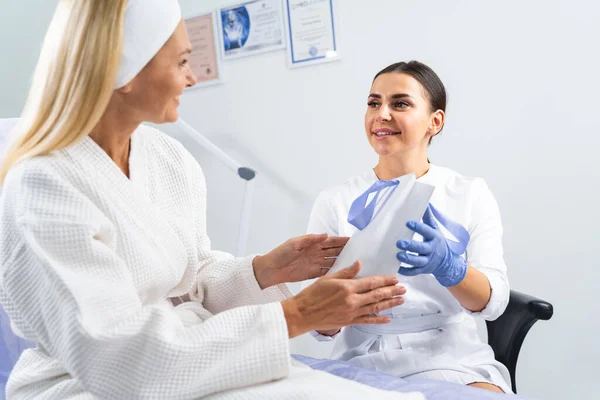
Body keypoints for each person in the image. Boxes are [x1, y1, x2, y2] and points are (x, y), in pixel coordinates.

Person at [0, 2, 424, 399]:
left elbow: (191, 282)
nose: (192, 78)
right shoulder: (43, 185)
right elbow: (116, 360)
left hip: (189, 357)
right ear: (123, 71)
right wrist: (296, 315)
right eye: (182, 62)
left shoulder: (168, 158)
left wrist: (264, 270)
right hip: (92, 385)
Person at [306, 61, 511, 394]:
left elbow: (493, 303)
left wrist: (451, 268)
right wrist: (336, 301)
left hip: (451, 356)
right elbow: (321, 327)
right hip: (360, 358)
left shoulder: (470, 192)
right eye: (374, 103)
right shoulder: (336, 201)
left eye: (399, 103)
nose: (381, 114)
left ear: (435, 121)